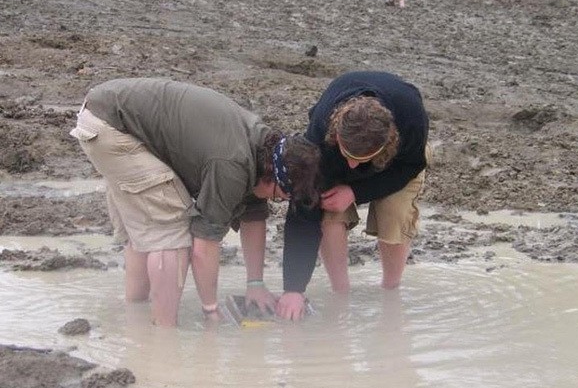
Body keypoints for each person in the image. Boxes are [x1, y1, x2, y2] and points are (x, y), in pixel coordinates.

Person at [69, 78, 321, 327]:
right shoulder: (232, 165)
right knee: (170, 229)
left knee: (145, 226)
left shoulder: (263, 145)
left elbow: (253, 215)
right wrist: (211, 311)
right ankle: (165, 337)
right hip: (113, 127)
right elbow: (204, 246)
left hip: (107, 114)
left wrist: (255, 284)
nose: (277, 201)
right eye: (279, 197)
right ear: (272, 177)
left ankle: (136, 315)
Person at [277, 71, 429, 321]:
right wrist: (293, 289)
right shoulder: (318, 138)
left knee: (394, 212)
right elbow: (303, 211)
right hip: (328, 156)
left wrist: (356, 191)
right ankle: (341, 292)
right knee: (328, 209)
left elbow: (411, 166)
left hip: (396, 165)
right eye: (348, 155)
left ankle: (391, 289)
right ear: (336, 134)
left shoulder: (410, 116)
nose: (352, 167)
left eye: (360, 160)